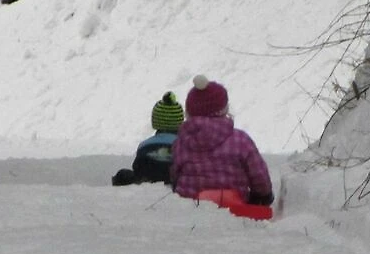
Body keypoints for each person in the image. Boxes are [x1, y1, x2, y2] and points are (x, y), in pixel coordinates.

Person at [171, 75, 274, 205]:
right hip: (233, 207)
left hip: (190, 207)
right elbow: (259, 175)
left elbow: (175, 174)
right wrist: (263, 195)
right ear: (224, 109)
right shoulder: (240, 140)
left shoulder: (181, 143)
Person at [111, 91, 184, 186]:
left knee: (123, 174)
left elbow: (137, 167)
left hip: (147, 180)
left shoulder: (145, 145)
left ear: (155, 120)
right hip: (177, 182)